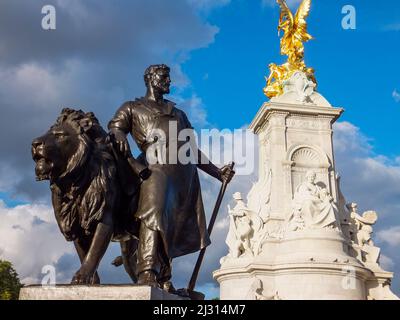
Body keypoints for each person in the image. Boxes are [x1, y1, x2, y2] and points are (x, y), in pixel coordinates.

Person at [108, 64, 235, 290]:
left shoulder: (178, 113)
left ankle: (164, 277)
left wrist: (217, 172)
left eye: (168, 77)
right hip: (153, 166)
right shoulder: (132, 107)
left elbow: (191, 150)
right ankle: (147, 270)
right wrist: (118, 135)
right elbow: (115, 127)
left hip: (183, 175)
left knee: (171, 226)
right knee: (153, 211)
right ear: (150, 78)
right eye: (164, 76)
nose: (169, 81)